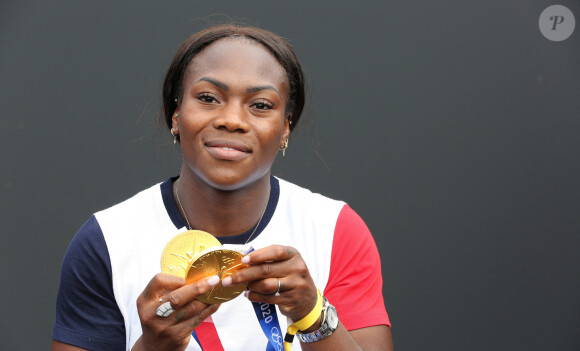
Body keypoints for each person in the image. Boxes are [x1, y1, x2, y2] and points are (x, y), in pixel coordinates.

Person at [51, 24, 393, 351]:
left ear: (286, 128)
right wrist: (151, 348)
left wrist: (312, 313)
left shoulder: (336, 230)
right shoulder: (106, 241)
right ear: (175, 115)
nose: (231, 119)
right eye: (208, 98)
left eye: (260, 105)